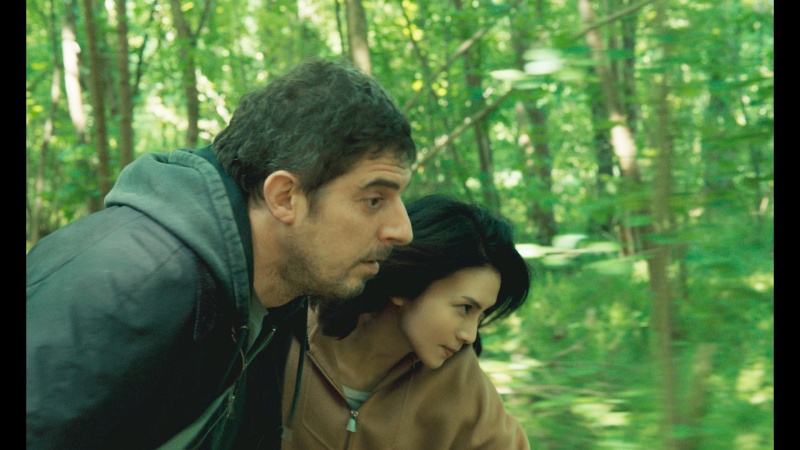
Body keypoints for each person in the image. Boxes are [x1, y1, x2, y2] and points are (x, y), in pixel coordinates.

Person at [26, 58, 416, 449]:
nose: (403, 230)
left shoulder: (274, 295)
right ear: (285, 197)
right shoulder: (128, 287)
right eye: (374, 199)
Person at [278, 194, 532, 449]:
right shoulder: (283, 337)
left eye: (481, 315)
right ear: (405, 284)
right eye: (465, 308)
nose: (470, 335)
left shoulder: (460, 379)